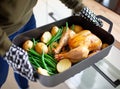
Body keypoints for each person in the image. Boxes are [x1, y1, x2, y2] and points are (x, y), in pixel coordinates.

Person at [0, 0, 103, 89]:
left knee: (27, 63)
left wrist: (79, 7)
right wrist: (5, 47)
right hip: (3, 33)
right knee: (1, 77)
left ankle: (24, 87)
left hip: (28, 19)